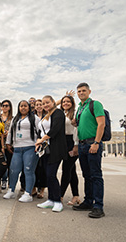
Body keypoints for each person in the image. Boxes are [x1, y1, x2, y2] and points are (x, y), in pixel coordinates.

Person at [72, 82, 106, 219]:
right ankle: (88, 201)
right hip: (82, 145)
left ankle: (98, 206)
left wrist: (97, 142)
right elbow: (79, 124)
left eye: (83, 91)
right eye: (79, 91)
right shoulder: (80, 107)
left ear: (89, 91)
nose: (81, 93)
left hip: (92, 143)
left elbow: (101, 124)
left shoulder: (95, 104)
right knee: (86, 175)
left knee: (96, 175)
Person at [4, 100, 40, 202]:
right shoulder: (15, 119)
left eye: (25, 106)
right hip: (17, 148)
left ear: (28, 107)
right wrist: (8, 143)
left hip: (30, 147)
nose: (23, 108)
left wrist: (39, 143)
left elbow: (40, 131)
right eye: (21, 106)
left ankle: (28, 193)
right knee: (13, 170)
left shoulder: (34, 118)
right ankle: (11, 190)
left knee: (28, 170)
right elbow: (11, 132)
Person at [35, 95, 67, 212]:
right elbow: (41, 131)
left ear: (53, 102)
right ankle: (51, 200)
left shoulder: (58, 113)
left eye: (47, 102)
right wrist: (39, 142)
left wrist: (42, 139)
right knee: (47, 174)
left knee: (51, 174)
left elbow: (55, 129)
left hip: (56, 148)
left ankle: (58, 201)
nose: (45, 105)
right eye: (43, 104)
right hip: (45, 149)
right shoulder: (46, 116)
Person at [59, 95, 81, 205]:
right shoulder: (61, 114)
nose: (65, 103)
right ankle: (76, 196)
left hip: (72, 142)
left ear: (72, 103)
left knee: (66, 169)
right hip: (63, 143)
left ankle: (60, 196)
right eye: (63, 102)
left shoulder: (75, 114)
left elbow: (77, 130)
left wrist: (76, 145)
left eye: (68, 101)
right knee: (72, 171)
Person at [33, 99, 47, 199]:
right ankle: (33, 187)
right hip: (34, 144)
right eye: (37, 105)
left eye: (40, 104)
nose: (39, 106)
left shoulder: (48, 117)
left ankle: (42, 189)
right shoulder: (32, 117)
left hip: (45, 144)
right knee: (34, 167)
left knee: (43, 168)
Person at [0, 99, 13, 190]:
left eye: (6, 105)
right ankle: (3, 180)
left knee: (10, 163)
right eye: (3, 105)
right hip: (0, 143)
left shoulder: (13, 118)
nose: (4, 107)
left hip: (9, 143)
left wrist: (9, 133)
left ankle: (10, 182)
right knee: (3, 163)